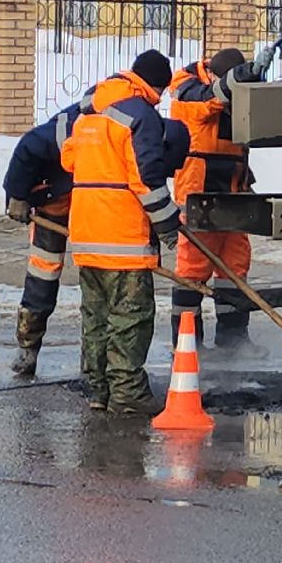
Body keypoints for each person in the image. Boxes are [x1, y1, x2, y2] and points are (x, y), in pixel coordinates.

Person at [61, 49, 181, 415]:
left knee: (95, 318)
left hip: (86, 234)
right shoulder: (139, 115)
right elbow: (146, 181)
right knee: (130, 318)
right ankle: (128, 394)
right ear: (155, 85)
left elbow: (68, 159)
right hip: (124, 239)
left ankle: (98, 391)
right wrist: (169, 225)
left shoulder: (88, 112)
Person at [167, 45, 273, 358]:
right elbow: (210, 99)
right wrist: (242, 76)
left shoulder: (229, 94)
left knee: (235, 267)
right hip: (200, 195)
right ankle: (187, 343)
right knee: (192, 270)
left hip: (232, 192)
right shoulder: (188, 91)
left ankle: (233, 339)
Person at [1, 100, 84, 378]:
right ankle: (27, 348)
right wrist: (18, 195)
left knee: (101, 278)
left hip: (94, 203)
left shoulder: (132, 119)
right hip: (55, 199)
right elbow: (28, 148)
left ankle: (96, 358)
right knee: (43, 273)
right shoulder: (69, 129)